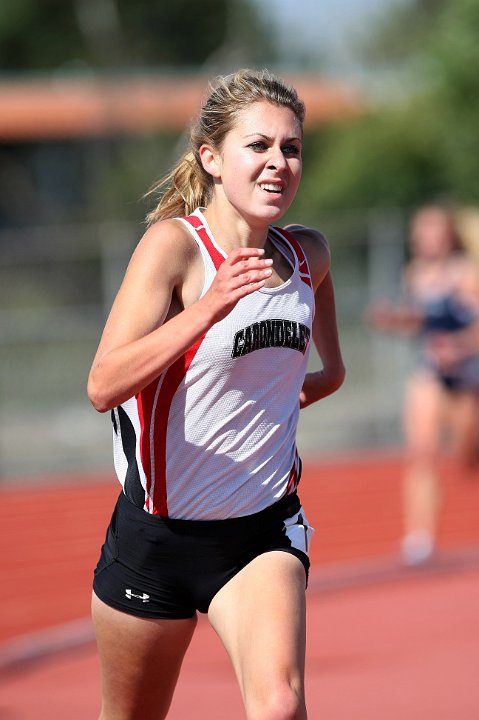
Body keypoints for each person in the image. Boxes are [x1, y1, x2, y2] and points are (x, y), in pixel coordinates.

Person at [87, 68, 345, 720]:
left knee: (279, 705)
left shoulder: (306, 254)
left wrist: (297, 393)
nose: (277, 163)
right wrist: (208, 307)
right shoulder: (172, 248)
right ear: (211, 157)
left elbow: (324, 367)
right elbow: (103, 384)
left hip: (260, 534)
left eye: (290, 149)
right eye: (257, 147)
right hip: (157, 540)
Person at [367, 205, 479, 566]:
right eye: (423, 230)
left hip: (467, 374)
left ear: (449, 234)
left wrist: (459, 347)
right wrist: (393, 319)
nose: (429, 237)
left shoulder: (466, 274)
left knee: (467, 455)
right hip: (430, 370)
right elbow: (419, 321)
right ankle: (421, 539)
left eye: (436, 229)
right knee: (422, 452)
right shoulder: (412, 274)